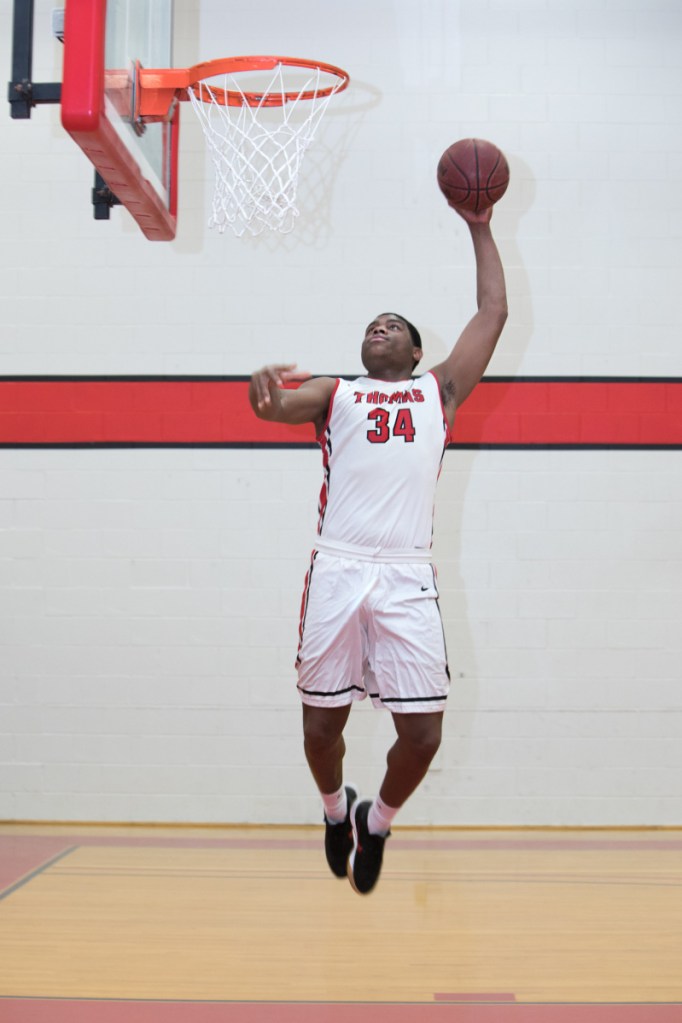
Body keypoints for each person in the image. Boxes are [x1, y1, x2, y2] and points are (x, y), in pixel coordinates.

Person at [249, 203, 507, 894]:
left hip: (405, 578)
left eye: (393, 325)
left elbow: (492, 313)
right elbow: (274, 407)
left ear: (417, 352)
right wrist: (262, 394)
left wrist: (478, 222)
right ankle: (335, 811)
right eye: (372, 324)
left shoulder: (439, 392)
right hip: (337, 567)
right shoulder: (337, 393)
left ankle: (380, 819)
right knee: (318, 728)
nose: (379, 327)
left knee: (423, 736)